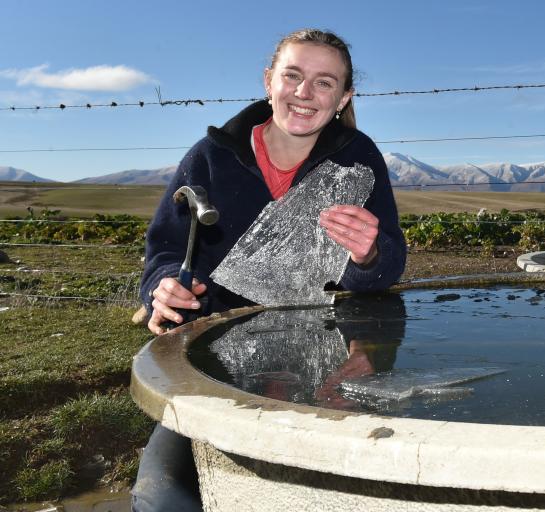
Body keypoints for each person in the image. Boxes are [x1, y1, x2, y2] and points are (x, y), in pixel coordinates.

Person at [132, 28, 407, 511]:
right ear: (268, 81)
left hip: (323, 360)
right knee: (164, 499)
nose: (304, 93)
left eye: (324, 83)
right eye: (293, 76)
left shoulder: (359, 158)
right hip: (212, 358)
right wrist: (165, 287)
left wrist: (367, 255)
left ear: (344, 97)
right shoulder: (210, 157)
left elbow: (385, 268)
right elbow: (166, 249)